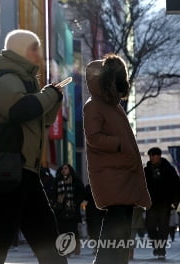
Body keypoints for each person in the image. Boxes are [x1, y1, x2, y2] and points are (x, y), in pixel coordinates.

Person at [0, 29, 67, 264]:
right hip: (12, 167)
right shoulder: (8, 78)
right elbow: (19, 111)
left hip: (24, 169)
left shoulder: (26, 81)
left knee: (41, 232)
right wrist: (49, 95)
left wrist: (54, 99)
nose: (38, 53)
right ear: (19, 50)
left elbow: (41, 121)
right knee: (3, 232)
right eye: (33, 48)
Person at [83, 54, 151, 264]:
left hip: (122, 172)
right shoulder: (94, 105)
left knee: (120, 231)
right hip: (111, 173)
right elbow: (93, 138)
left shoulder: (113, 105)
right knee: (115, 230)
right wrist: (119, 145)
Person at [144, 147, 180, 259]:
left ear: (159, 156)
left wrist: (175, 202)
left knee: (163, 227)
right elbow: (141, 187)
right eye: (150, 156)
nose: (152, 158)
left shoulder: (169, 169)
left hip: (165, 203)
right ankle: (156, 245)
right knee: (150, 226)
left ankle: (161, 249)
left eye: (154, 156)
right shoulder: (146, 170)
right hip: (151, 203)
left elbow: (177, 186)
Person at [53, 164, 84, 255]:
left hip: (72, 210)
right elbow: (53, 193)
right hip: (60, 210)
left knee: (72, 230)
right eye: (62, 168)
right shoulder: (57, 181)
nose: (64, 170)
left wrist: (75, 203)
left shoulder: (76, 181)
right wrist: (56, 203)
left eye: (66, 168)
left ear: (70, 170)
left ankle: (75, 248)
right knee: (62, 230)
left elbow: (81, 194)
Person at [83, 184, 104, 255]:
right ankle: (97, 247)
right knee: (95, 231)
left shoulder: (89, 187)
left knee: (95, 231)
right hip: (94, 213)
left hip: (95, 213)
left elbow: (84, 200)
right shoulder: (89, 187)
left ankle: (97, 247)